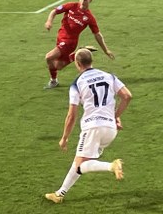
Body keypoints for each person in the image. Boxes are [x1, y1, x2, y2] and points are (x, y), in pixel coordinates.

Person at [44, 48, 132, 204]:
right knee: (79, 160)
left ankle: (112, 166)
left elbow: (71, 115)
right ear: (92, 61)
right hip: (110, 130)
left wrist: (64, 138)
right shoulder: (109, 76)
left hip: (93, 128)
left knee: (81, 165)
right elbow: (127, 96)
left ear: (77, 64)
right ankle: (59, 194)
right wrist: (115, 116)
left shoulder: (77, 83)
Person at [44, 0, 114, 89]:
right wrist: (49, 21)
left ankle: (53, 81)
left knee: (48, 57)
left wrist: (106, 50)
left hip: (69, 43)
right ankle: (78, 53)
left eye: (85, 0)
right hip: (60, 38)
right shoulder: (71, 6)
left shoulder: (89, 17)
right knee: (58, 66)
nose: (82, 2)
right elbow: (54, 11)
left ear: (90, 0)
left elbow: (97, 34)